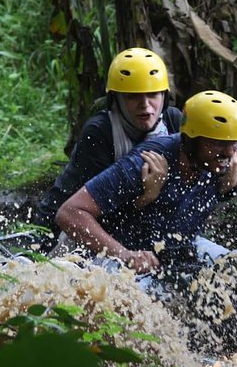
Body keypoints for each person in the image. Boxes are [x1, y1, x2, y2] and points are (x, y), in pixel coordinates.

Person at [55, 90, 237, 272]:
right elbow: (70, 212)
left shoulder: (229, 156)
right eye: (219, 144)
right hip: (123, 254)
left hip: (183, 246)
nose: (230, 153)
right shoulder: (145, 163)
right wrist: (126, 255)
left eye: (235, 144)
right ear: (190, 141)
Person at [34, 47, 183, 243]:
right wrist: (148, 196)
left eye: (153, 95)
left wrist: (226, 187)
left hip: (145, 223)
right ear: (117, 100)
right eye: (133, 97)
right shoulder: (99, 132)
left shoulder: (174, 121)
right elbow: (100, 217)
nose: (145, 105)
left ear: (164, 97)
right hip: (73, 226)